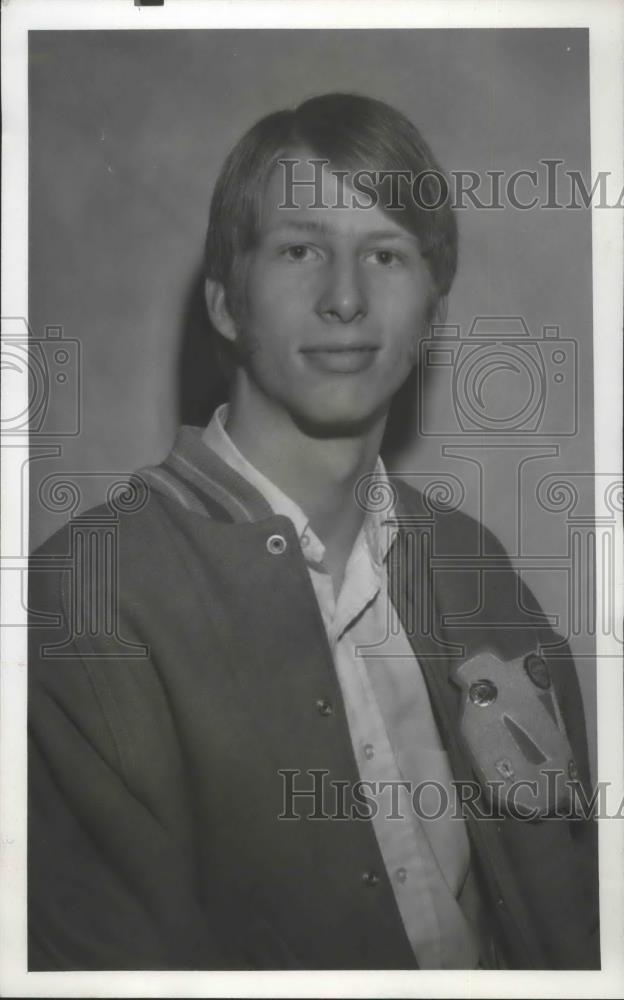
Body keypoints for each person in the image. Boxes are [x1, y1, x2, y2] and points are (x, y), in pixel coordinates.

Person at [28, 93, 599, 971]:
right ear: (226, 302)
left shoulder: (473, 566)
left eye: (385, 253)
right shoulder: (86, 596)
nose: (345, 298)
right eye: (300, 250)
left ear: (431, 314)